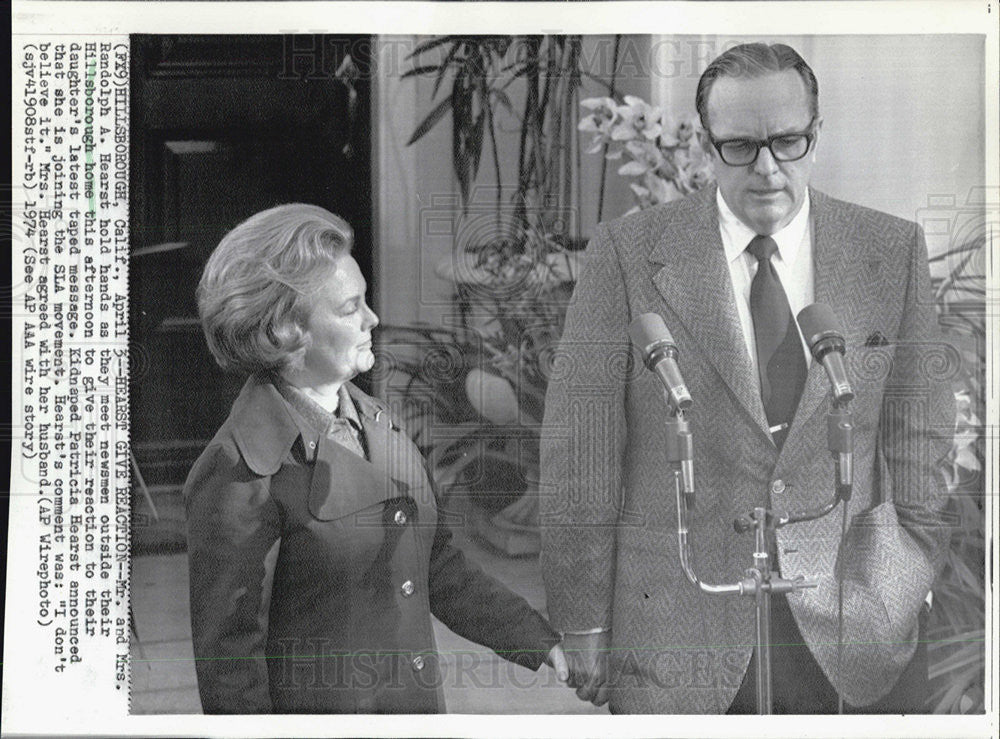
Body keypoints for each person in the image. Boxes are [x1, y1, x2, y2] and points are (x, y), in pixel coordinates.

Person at [540, 43, 954, 714]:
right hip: (682, 622)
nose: (766, 168)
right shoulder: (628, 253)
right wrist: (583, 619)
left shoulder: (891, 249)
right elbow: (580, 453)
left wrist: (907, 577)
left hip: (854, 619)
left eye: (787, 142)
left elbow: (923, 434)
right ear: (708, 145)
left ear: (815, 136)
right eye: (740, 146)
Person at [186, 203, 567, 713]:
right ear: (284, 332)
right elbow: (230, 672)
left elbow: (437, 566)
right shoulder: (237, 470)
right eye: (349, 308)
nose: (373, 318)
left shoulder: (378, 421)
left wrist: (544, 643)